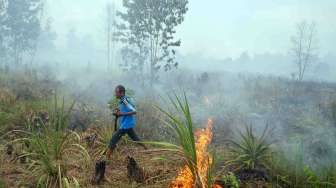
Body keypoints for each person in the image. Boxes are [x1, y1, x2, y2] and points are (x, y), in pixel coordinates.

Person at [106, 85, 146, 160]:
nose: (115, 94)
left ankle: (107, 159)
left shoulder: (125, 101)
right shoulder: (122, 100)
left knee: (113, 140)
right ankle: (147, 149)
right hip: (128, 124)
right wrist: (117, 112)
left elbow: (134, 111)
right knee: (136, 138)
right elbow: (124, 110)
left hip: (126, 125)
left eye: (116, 92)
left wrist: (121, 114)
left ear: (122, 93)